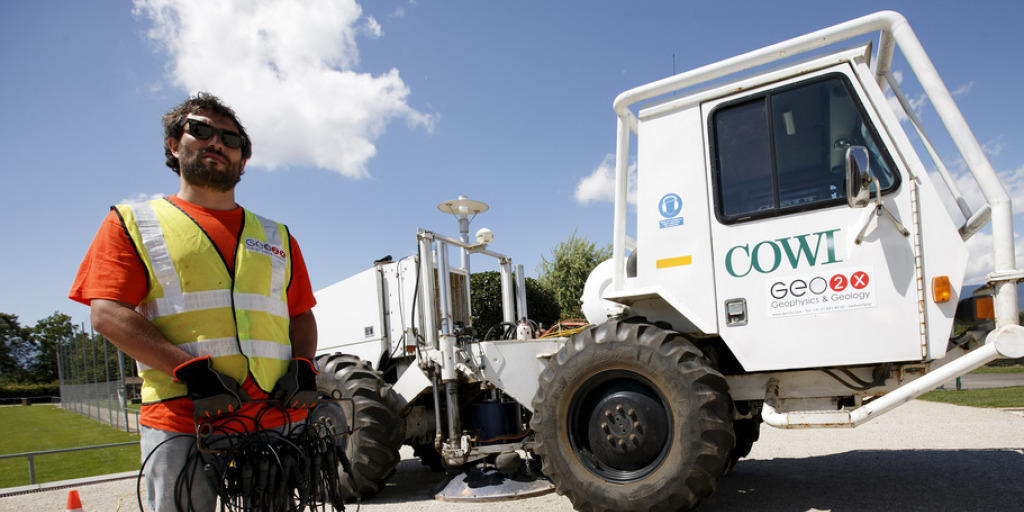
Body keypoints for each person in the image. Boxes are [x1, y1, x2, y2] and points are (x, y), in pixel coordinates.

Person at [69, 92, 319, 511]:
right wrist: (191, 372)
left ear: (244, 158)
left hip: (273, 417)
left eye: (231, 138)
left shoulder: (278, 236)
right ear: (174, 144)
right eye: (200, 130)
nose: (216, 143)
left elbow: (300, 314)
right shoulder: (133, 223)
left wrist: (305, 366)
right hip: (183, 418)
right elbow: (108, 314)